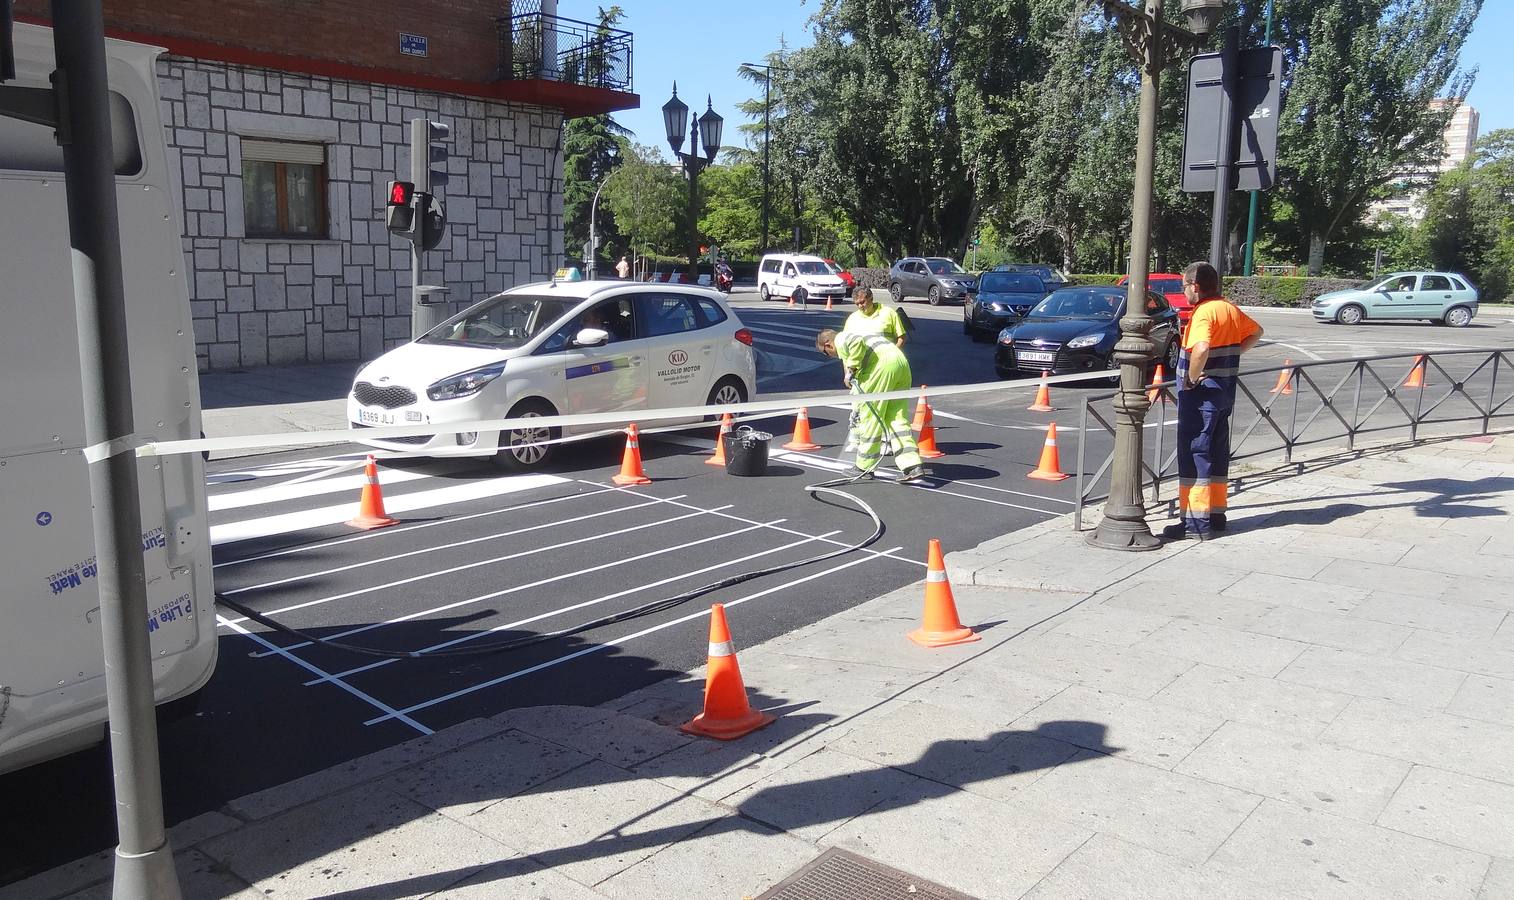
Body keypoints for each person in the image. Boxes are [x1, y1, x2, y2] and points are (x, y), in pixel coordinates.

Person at [1164, 261, 1264, 541]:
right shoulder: (1228, 308)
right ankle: (1216, 515)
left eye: (1184, 286)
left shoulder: (1204, 312)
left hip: (1201, 397)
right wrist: (1232, 356)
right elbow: (1257, 333)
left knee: (1196, 456)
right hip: (1224, 393)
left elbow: (1202, 348)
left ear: (1195, 287)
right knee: (1218, 455)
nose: (1183, 292)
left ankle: (1196, 524)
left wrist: (1192, 378)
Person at [815, 327, 929, 481]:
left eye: (826, 353)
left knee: (870, 419)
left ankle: (864, 467)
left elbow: (855, 343)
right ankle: (912, 465)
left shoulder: (841, 338)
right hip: (901, 364)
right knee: (896, 419)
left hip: (881, 369)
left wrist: (851, 369)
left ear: (828, 345)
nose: (830, 356)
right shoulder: (861, 332)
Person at [843, 286, 907, 349]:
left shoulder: (889, 313)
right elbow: (845, 341)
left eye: (862, 302)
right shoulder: (852, 319)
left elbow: (902, 337)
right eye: (857, 304)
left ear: (871, 298)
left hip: (885, 358)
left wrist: (894, 353)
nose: (860, 306)